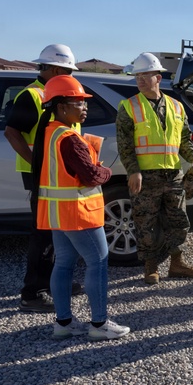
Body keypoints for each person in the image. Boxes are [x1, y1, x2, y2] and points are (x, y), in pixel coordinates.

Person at [32, 75, 129, 340]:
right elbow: (90, 176)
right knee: (98, 262)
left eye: (84, 103)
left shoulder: (50, 132)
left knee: (63, 264)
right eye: (79, 103)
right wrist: (105, 172)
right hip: (78, 213)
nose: (85, 107)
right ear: (61, 106)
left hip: (58, 213)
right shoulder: (70, 139)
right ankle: (99, 325)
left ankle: (64, 323)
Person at [4, 43, 82, 313]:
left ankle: (53, 281)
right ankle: (33, 293)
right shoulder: (32, 96)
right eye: (67, 70)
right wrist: (36, 164)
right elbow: (12, 133)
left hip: (60, 176)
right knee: (43, 235)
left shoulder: (63, 94)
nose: (71, 75)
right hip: (41, 177)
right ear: (53, 68)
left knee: (60, 231)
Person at [116, 52, 193, 285]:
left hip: (173, 174)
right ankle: (151, 266)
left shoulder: (177, 106)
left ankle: (177, 264)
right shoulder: (129, 106)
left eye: (146, 75)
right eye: (138, 75)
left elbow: (184, 139)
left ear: (158, 77)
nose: (141, 80)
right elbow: (125, 145)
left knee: (178, 220)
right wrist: (133, 171)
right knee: (146, 222)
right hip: (145, 177)